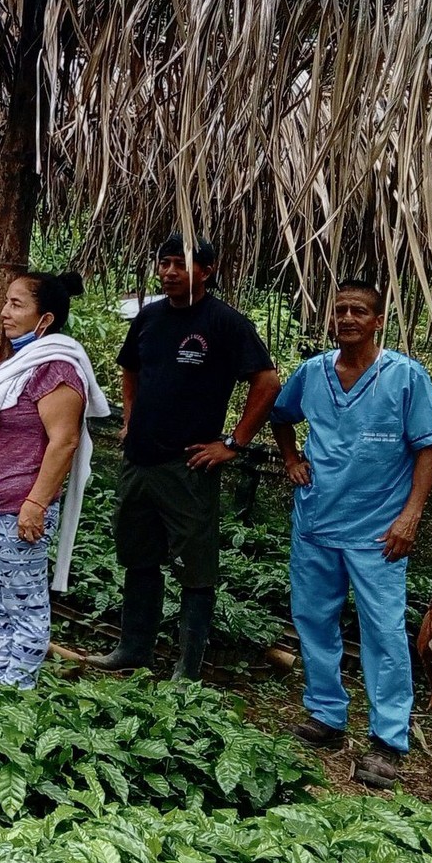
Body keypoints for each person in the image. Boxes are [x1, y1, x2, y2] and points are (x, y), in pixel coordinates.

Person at [271, 281, 432, 789]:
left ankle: (388, 740)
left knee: (384, 632)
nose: (348, 318)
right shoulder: (313, 373)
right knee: (313, 620)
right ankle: (326, 714)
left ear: (377, 321)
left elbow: (428, 450)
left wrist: (410, 517)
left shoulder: (405, 376)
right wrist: (292, 458)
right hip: (316, 522)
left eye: (359, 311)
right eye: (341, 310)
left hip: (379, 533)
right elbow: (280, 416)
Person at [88, 236, 281, 679]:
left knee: (195, 568)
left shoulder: (225, 322)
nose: (170, 272)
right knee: (138, 556)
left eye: (181, 264)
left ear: (207, 271)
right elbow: (131, 368)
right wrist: (130, 419)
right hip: (139, 461)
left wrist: (233, 443)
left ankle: (187, 670)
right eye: (164, 263)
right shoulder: (150, 316)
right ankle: (133, 649)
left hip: (189, 465)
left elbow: (268, 383)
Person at [0, 271, 108, 689]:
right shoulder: (21, 365)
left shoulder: (57, 370)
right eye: (6, 302)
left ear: (45, 319)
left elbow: (64, 441)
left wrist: (35, 505)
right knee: (3, 603)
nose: (4, 312)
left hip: (17, 512)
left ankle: (16, 691)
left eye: (16, 304)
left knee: (26, 607)